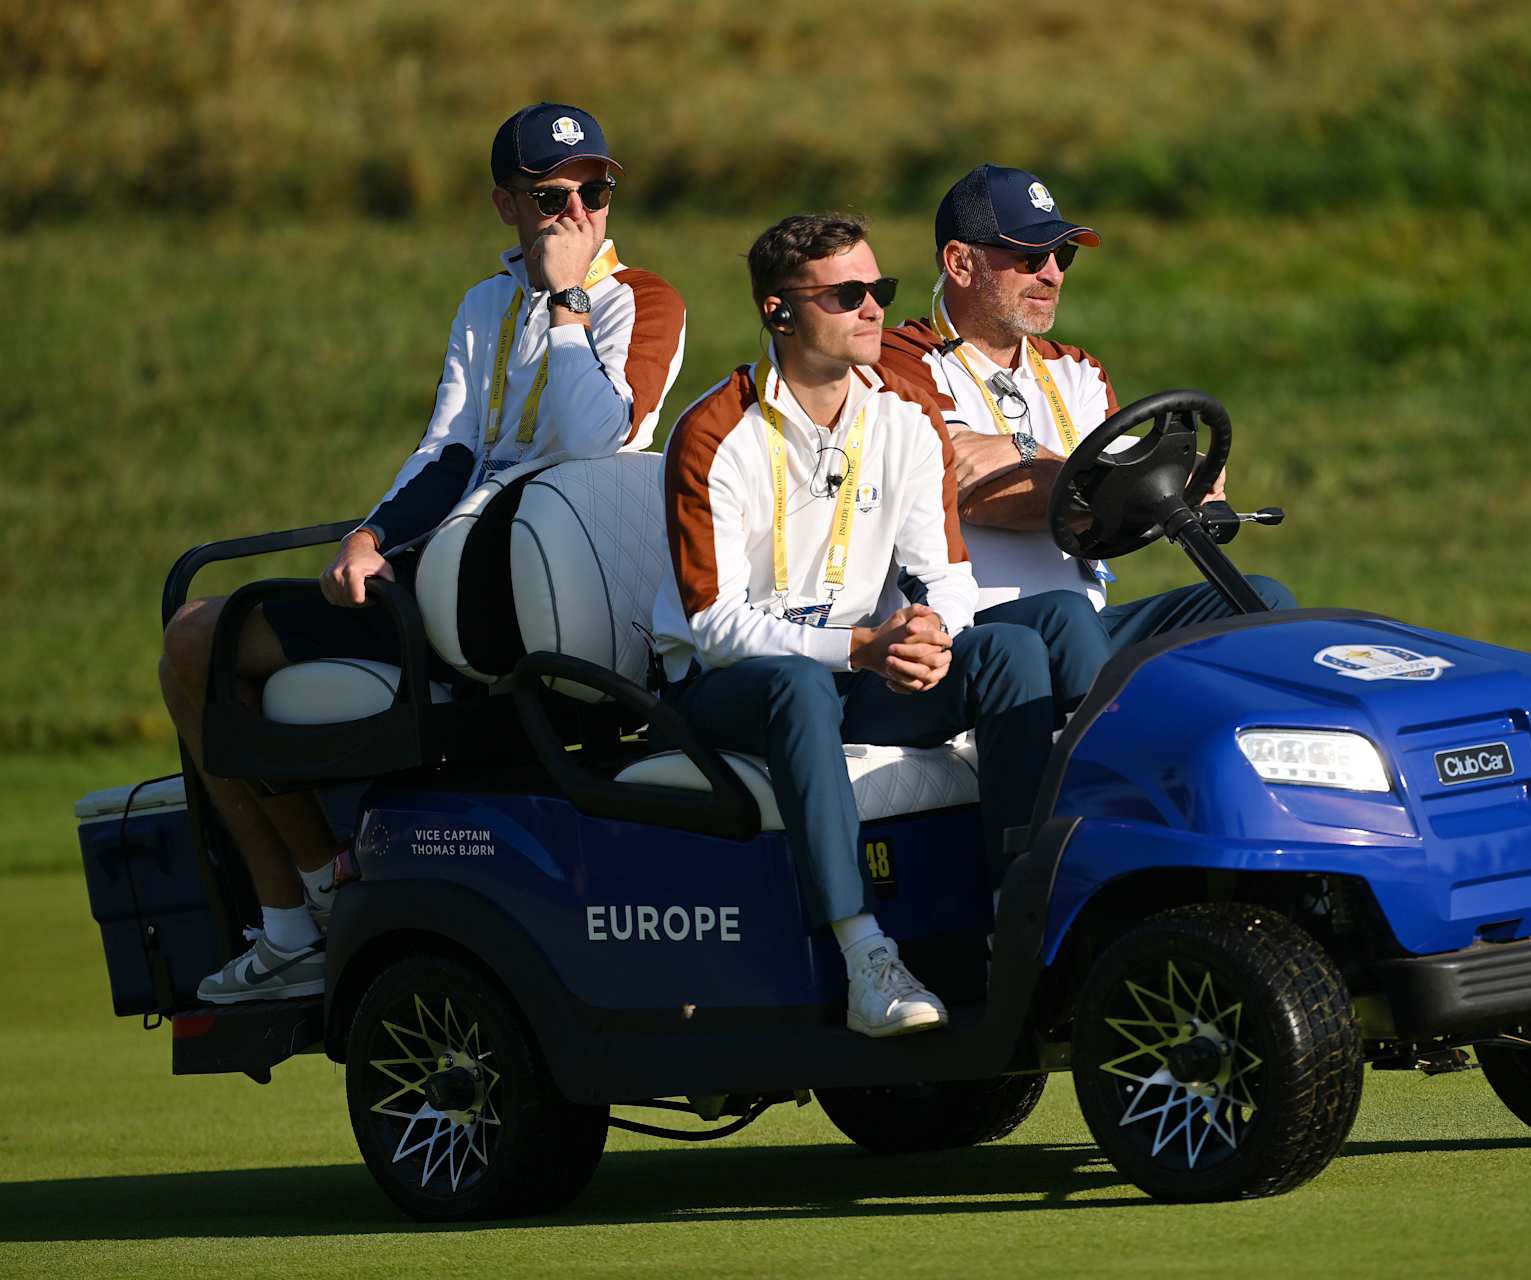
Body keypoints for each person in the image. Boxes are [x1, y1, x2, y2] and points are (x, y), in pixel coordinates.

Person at [158, 103, 688, 1003]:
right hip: (441, 574)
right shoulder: (485, 304)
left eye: (593, 191)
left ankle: (308, 913)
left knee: (205, 640)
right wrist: (369, 538)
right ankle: (303, 908)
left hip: (528, 595)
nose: (576, 213)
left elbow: (599, 438)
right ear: (504, 206)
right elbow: (448, 450)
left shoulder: (642, 298)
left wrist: (565, 303)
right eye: (550, 195)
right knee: (195, 638)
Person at [653, 213, 1068, 1038]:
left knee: (1009, 650)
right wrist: (863, 648)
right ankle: (864, 957)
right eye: (846, 295)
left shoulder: (906, 415)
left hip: (861, 668)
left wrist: (929, 635)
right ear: (779, 314)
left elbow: (947, 575)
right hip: (726, 689)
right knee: (800, 686)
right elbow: (714, 625)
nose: (873, 309)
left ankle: (1021, 925)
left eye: (879, 290)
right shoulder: (712, 433)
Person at [881, 164, 1295, 717]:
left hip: (1086, 624)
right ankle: (1113, 780)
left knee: (1262, 600)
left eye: (1063, 256)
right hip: (977, 635)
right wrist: (1106, 479)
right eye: (1031, 256)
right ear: (959, 262)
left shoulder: (1078, 370)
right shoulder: (902, 359)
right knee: (1064, 617)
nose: (1053, 274)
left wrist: (1178, 477)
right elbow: (965, 477)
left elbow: (1113, 476)